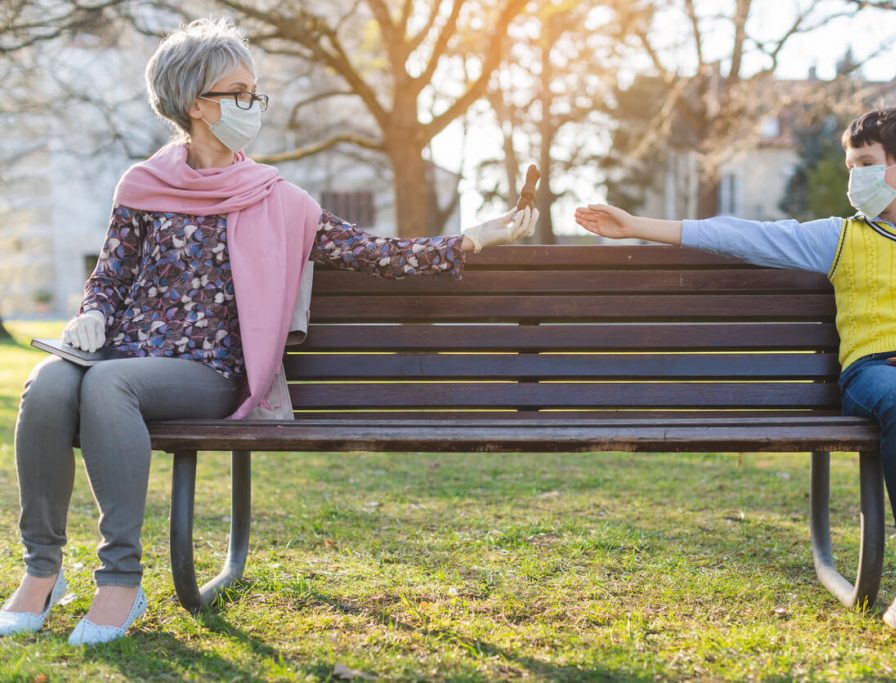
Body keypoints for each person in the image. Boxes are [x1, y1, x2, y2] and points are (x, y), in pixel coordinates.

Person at [0, 17, 539, 646]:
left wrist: (477, 236)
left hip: (210, 374)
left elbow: (376, 253)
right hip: (123, 357)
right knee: (46, 385)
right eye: (238, 91)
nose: (252, 103)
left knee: (106, 387)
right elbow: (111, 278)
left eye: (254, 91)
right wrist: (91, 313)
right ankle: (42, 570)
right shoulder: (142, 186)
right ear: (197, 104)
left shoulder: (277, 197)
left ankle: (120, 579)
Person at [575, 106, 896, 652]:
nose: (856, 177)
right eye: (851, 164)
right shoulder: (837, 236)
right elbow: (742, 235)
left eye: (867, 163)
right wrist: (639, 226)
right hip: (875, 373)